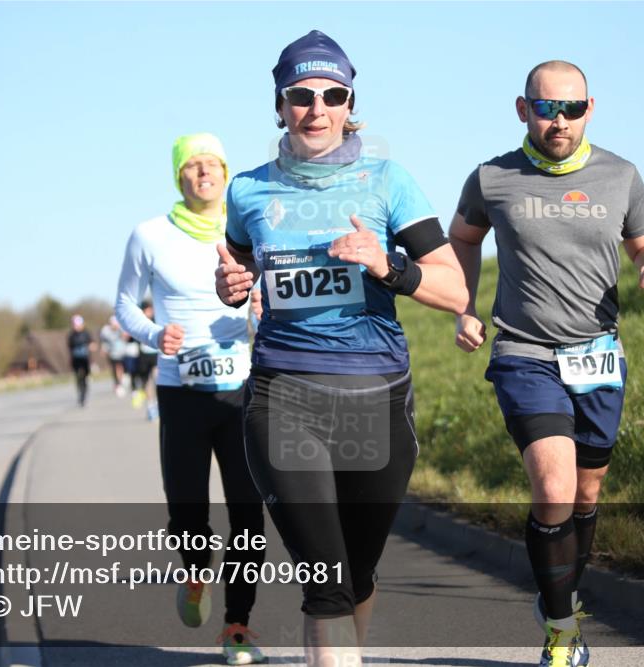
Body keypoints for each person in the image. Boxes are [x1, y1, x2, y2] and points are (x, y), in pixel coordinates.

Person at [215, 30, 466, 667]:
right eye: (300, 95)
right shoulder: (247, 191)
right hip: (284, 395)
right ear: (279, 104)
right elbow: (238, 272)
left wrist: (390, 267)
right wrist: (230, 286)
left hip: (375, 399)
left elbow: (454, 287)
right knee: (324, 583)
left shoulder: (388, 180)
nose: (316, 108)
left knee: (357, 569)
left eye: (333, 95)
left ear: (350, 103)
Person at [449, 60, 644, 667]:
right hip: (524, 352)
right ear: (523, 109)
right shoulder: (491, 177)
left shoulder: (620, 175)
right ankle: (560, 627)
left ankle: (563, 591)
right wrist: (463, 306)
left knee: (585, 492)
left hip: (597, 352)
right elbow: (463, 241)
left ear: (590, 109)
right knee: (552, 487)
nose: (560, 120)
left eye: (571, 108)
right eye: (547, 108)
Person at [115, 133, 267, 665]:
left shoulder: (250, 228)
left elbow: (269, 293)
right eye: (192, 166)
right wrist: (157, 335)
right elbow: (124, 306)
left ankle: (238, 627)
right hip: (181, 392)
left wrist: (261, 315)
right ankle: (195, 571)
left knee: (250, 515)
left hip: (243, 389)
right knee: (187, 511)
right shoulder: (150, 235)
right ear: (178, 177)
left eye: (212, 164)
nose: (203, 173)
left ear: (226, 172)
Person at [131, 300, 160, 419]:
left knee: (157, 379)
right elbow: (131, 339)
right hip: (143, 358)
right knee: (147, 383)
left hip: (156, 356)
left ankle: (159, 404)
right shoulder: (139, 323)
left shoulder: (157, 320)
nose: (150, 312)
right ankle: (151, 406)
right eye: (147, 310)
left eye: (150, 310)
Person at [67, 314, 94, 407]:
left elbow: (92, 343)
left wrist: (91, 346)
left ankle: (84, 394)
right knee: (78, 378)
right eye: (75, 325)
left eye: (78, 324)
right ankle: (81, 395)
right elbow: (70, 348)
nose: (76, 327)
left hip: (85, 359)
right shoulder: (71, 335)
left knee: (85, 377)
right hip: (76, 359)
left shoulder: (86, 333)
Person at [99, 316, 129, 397]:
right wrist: (103, 349)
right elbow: (104, 341)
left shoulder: (121, 329)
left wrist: (122, 333)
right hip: (112, 353)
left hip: (122, 352)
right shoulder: (106, 331)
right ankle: (118, 384)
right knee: (115, 368)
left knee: (121, 367)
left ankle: (122, 379)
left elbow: (126, 337)